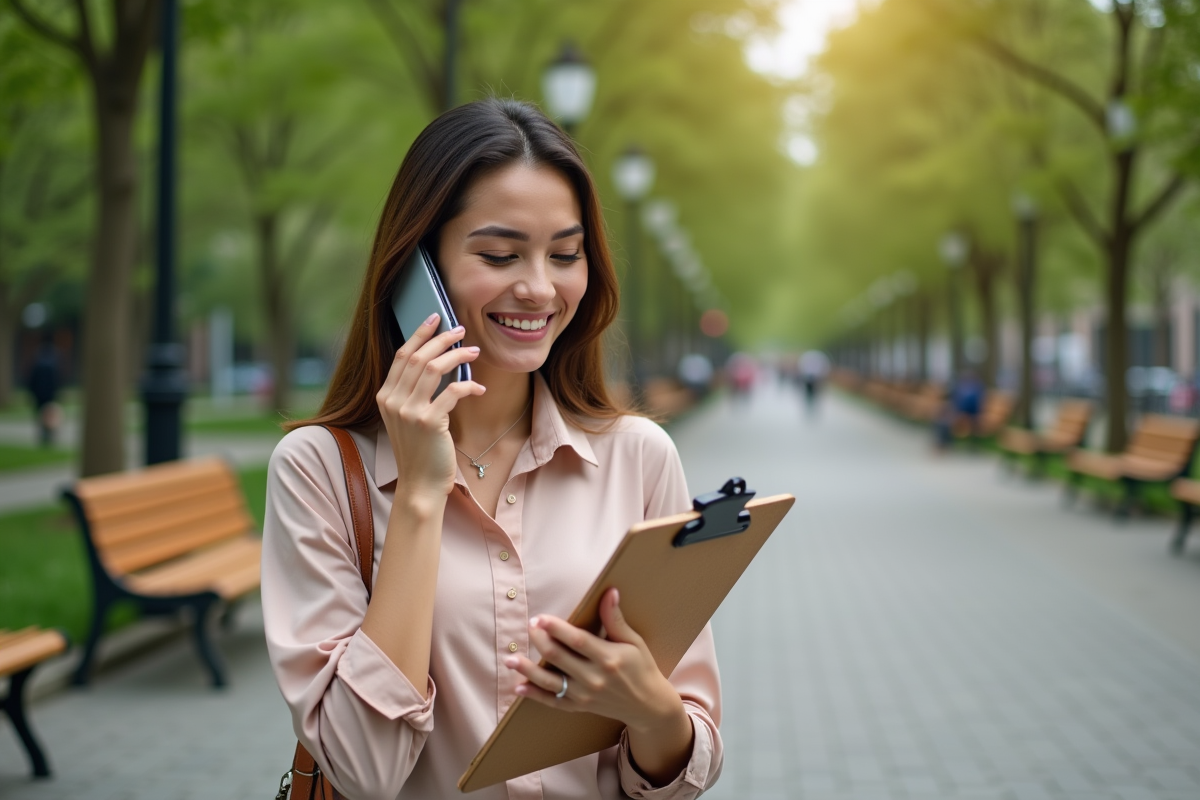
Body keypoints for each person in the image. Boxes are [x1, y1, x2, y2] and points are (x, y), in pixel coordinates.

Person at [261, 99, 722, 800]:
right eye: (500, 254)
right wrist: (418, 497)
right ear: (418, 270)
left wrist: (648, 708)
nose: (540, 288)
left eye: (565, 255)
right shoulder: (320, 471)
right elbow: (362, 769)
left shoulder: (639, 459)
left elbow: (687, 766)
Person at [26, 335, 61, 448]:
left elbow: (31, 380)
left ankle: (43, 436)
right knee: (49, 415)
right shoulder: (52, 365)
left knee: (41, 416)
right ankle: (48, 435)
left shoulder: (37, 364)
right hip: (49, 394)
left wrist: (31, 392)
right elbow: (57, 381)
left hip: (39, 395)